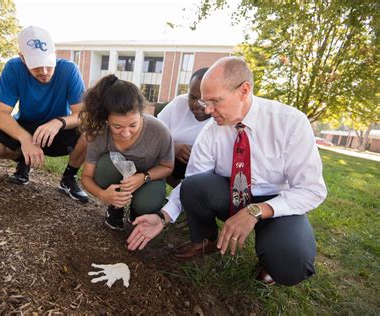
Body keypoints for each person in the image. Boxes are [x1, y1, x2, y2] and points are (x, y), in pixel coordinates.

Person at [127, 57, 327, 286]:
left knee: (292, 264)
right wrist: (163, 217)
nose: (207, 110)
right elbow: (191, 180)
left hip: (276, 202)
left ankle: (272, 256)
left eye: (215, 101)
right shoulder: (212, 129)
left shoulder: (290, 123)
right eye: (204, 102)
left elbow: (312, 190)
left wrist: (256, 211)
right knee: (194, 185)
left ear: (243, 91)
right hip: (230, 194)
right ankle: (206, 240)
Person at [0, 26, 89, 203]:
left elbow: (83, 115)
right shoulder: (13, 68)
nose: (44, 72)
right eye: (37, 65)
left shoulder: (69, 70)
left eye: (48, 63)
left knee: (91, 131)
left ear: (54, 53)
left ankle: (68, 178)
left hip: (58, 128)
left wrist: (58, 122)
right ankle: (24, 161)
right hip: (26, 123)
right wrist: (25, 139)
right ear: (22, 58)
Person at [80, 74, 174, 231]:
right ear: (106, 119)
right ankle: (115, 207)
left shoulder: (160, 131)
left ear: (141, 114)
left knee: (148, 203)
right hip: (114, 175)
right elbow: (86, 177)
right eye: (117, 127)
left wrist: (144, 178)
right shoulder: (100, 132)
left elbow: (167, 167)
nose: (126, 133)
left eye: (133, 125)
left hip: (149, 177)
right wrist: (103, 195)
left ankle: (136, 211)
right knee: (105, 167)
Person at [157, 68, 212, 188]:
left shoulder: (222, 116)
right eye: (192, 97)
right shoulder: (179, 103)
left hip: (206, 171)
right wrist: (172, 148)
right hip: (171, 164)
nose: (196, 104)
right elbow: (154, 135)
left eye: (203, 100)